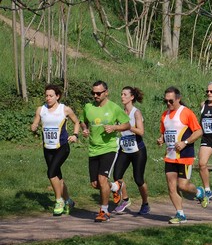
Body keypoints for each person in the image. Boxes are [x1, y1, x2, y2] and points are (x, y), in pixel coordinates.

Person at [80, 81, 131, 222]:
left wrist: (114, 128)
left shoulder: (114, 108)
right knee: (96, 184)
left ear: (106, 92)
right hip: (93, 149)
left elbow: (127, 124)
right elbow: (82, 120)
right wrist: (84, 128)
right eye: (93, 93)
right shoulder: (88, 107)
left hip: (109, 148)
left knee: (102, 180)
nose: (95, 95)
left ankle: (104, 211)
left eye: (98, 93)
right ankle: (116, 186)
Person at [31, 84, 80, 216]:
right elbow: (36, 122)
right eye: (46, 95)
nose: (48, 98)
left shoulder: (65, 109)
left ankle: (59, 201)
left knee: (51, 173)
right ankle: (68, 201)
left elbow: (77, 122)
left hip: (62, 147)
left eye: (51, 96)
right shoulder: (41, 109)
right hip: (47, 148)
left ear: (57, 96)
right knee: (57, 176)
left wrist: (75, 135)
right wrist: (34, 126)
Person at [157, 87, 204, 224]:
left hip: (185, 154)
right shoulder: (164, 115)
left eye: (171, 101)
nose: (168, 104)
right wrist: (161, 139)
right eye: (166, 101)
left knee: (182, 185)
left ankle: (199, 192)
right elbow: (165, 133)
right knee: (171, 186)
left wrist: (185, 142)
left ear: (178, 98)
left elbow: (199, 131)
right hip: (170, 156)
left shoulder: (186, 113)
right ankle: (180, 214)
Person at [112, 87, 150, 215]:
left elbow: (141, 131)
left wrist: (129, 127)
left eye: (125, 94)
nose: (122, 96)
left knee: (138, 179)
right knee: (117, 176)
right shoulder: (121, 112)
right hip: (125, 148)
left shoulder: (136, 113)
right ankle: (125, 200)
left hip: (137, 149)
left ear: (132, 97)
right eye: (121, 94)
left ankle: (145, 203)